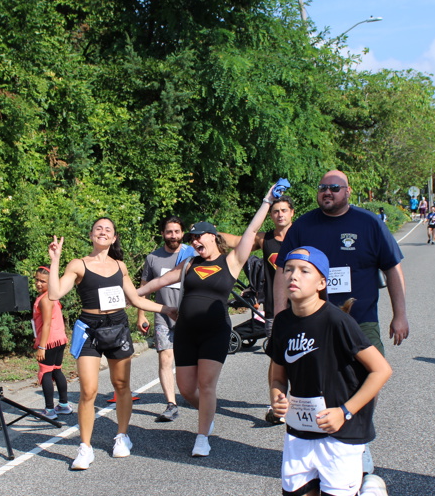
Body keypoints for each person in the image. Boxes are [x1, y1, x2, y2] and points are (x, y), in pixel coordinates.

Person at [267, 246, 396, 496]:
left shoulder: (337, 321)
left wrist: (345, 411)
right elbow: (277, 373)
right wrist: (277, 395)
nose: (293, 276)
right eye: (289, 269)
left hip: (340, 434)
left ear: (322, 283)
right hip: (300, 433)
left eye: (304, 271)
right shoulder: (283, 322)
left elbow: (381, 370)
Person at [137, 187, 275, 456]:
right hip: (186, 332)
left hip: (215, 331)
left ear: (213, 236)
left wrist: (266, 201)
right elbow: (158, 281)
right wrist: (132, 294)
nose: (195, 241)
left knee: (207, 385)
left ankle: (202, 437)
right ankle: (207, 414)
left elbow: (251, 230)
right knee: (187, 389)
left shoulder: (231, 261)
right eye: (192, 238)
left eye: (199, 236)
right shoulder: (189, 263)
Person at [47, 218, 175, 470]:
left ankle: (122, 436)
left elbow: (136, 299)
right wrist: (55, 261)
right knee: (88, 391)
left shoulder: (120, 266)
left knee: (121, 385)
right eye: (98, 228)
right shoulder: (78, 264)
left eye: (108, 230)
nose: (103, 232)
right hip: (89, 329)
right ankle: (85, 447)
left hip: (118, 327)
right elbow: (54, 293)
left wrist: (166, 309)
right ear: (91, 234)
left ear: (114, 238)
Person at [274, 170, 408, 356]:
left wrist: (400, 315)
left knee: (373, 370)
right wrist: (280, 315)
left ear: (348, 191)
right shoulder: (302, 226)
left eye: (335, 188)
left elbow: (392, 269)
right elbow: (282, 269)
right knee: (312, 372)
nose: (327, 192)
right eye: (323, 188)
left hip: (361, 320)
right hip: (312, 321)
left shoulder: (369, 223)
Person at [220, 196, 295, 425]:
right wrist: (210, 233)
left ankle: (303, 400)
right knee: (276, 357)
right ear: (270, 215)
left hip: (303, 308)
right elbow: (238, 241)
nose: (280, 214)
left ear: (292, 212)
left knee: (304, 355)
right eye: (275, 211)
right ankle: (277, 404)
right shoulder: (265, 239)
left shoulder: (302, 236)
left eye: (284, 210)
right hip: (275, 309)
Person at [137, 216, 187, 423]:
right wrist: (141, 314)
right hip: (163, 317)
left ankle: (196, 393)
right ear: (163, 234)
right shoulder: (153, 258)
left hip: (189, 317)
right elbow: (144, 288)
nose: (173, 236)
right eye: (169, 232)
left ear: (182, 233)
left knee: (190, 361)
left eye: (176, 231)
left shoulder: (191, 254)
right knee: (165, 359)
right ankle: (171, 404)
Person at [32, 267, 71, 420]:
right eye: (37, 279)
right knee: (56, 370)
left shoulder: (45, 300)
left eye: (43, 281)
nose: (38, 283)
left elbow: (47, 324)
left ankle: (49, 410)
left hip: (49, 341)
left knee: (45, 373)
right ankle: (63, 405)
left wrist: (41, 347)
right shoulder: (52, 296)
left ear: (51, 283)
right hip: (59, 339)